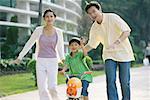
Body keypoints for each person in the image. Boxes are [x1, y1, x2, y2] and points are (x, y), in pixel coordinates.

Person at [84, 1, 135, 100]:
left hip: (123, 54)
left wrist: (117, 42)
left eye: (94, 11)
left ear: (100, 10)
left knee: (125, 81)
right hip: (109, 55)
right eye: (90, 13)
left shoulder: (112, 17)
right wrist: (79, 50)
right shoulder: (94, 27)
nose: (92, 15)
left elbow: (127, 31)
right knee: (110, 80)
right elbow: (92, 44)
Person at [12, 9, 65, 100]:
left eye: (51, 16)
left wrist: (64, 61)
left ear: (54, 18)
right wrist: (20, 57)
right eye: (47, 16)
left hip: (53, 61)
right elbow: (29, 43)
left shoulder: (58, 32)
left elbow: (60, 48)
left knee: (52, 87)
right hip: (41, 61)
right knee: (42, 88)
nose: (49, 18)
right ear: (44, 18)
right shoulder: (38, 30)